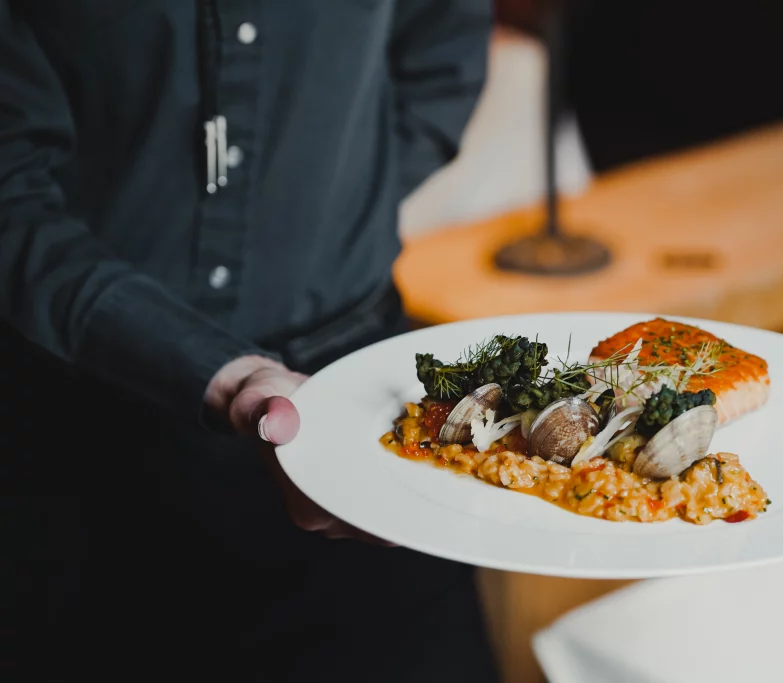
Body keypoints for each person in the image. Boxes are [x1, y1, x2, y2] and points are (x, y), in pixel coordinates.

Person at [0, 1, 497, 681]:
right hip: (77, 444)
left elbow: (442, 53)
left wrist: (339, 203)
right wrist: (211, 362)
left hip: (366, 417)